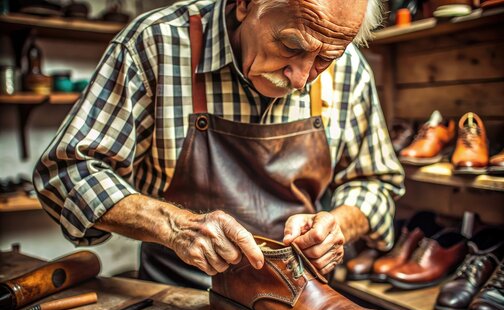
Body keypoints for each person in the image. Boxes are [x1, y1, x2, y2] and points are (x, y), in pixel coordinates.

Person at [34, 0, 405, 290]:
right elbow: (67, 173)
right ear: (245, 5)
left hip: (296, 295)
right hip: (178, 296)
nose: (302, 79)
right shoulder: (157, 44)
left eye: (325, 59)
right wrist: (175, 227)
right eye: (290, 45)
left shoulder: (351, 69)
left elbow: (376, 184)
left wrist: (338, 225)